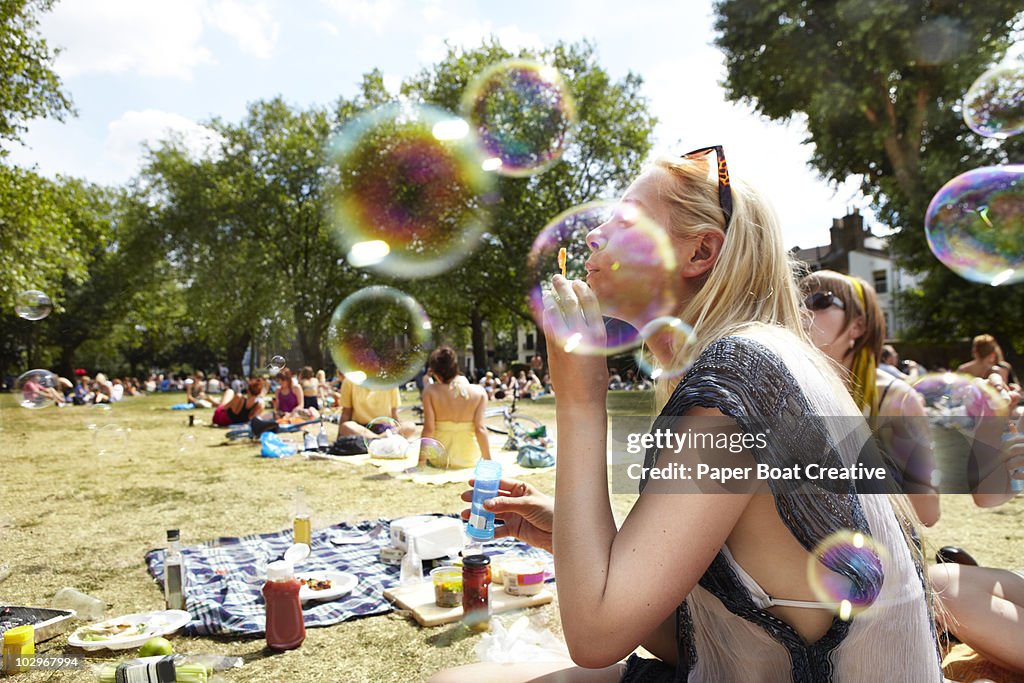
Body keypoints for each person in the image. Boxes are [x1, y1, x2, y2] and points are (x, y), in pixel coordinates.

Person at [429, 149, 939, 681]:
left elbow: (595, 636)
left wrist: (580, 400)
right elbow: (702, 638)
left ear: (700, 251)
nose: (592, 235)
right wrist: (564, 536)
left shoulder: (740, 380)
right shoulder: (754, 361)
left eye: (624, 219)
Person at [800, 270, 940, 526]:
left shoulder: (895, 399)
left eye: (819, 301)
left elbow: (928, 513)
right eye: (795, 299)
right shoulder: (790, 389)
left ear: (858, 326)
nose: (800, 310)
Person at [416, 346, 490, 469]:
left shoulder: (430, 392)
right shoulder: (480, 392)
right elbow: (480, 429)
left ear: (436, 372)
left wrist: (421, 463)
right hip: (469, 459)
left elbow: (429, 429)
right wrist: (489, 462)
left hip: (439, 458)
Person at [337, 376, 415, 440]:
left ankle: (375, 440)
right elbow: (346, 413)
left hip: (386, 429)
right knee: (346, 426)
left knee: (410, 426)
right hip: (361, 429)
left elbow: (394, 414)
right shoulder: (349, 381)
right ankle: (380, 440)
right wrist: (339, 437)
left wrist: (400, 428)